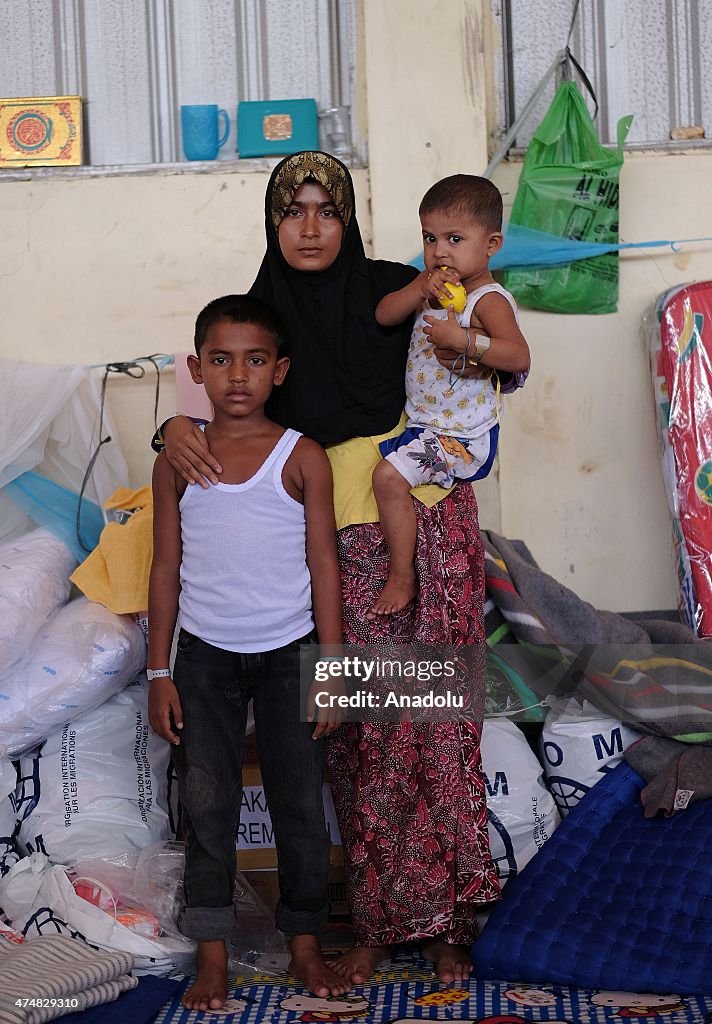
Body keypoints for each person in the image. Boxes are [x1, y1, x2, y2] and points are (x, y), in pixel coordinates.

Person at [155, 151, 526, 986]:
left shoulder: (407, 283)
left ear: (351, 217)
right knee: (361, 746)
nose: (312, 227)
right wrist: (163, 433)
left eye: (327, 210)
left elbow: (489, 365)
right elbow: (226, 398)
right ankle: (378, 921)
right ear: (272, 223)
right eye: (294, 212)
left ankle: (449, 926)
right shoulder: (263, 318)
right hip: (332, 544)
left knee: (438, 723)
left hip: (426, 522)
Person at [147, 293, 346, 1012]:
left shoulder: (302, 457)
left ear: (280, 369)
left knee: (298, 804)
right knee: (208, 805)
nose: (238, 375)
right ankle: (212, 954)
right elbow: (164, 567)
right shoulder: (179, 459)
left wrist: (329, 667)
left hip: (291, 652)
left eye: (256, 360)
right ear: (197, 369)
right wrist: (159, 671)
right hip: (203, 657)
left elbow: (324, 564)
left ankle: (303, 943)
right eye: (222, 360)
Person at [369, 175, 530, 617]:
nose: (440, 251)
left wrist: (463, 341)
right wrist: (419, 288)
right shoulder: (432, 284)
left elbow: (517, 355)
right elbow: (384, 314)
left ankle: (402, 579)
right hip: (426, 425)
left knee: (387, 478)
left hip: (462, 437)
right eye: (430, 237)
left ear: (491, 243)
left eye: (455, 238)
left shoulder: (487, 300)